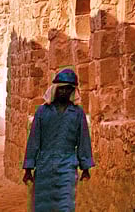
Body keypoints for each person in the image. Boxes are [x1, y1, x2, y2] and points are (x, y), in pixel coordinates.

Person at [22, 68, 95, 212]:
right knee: (42, 206)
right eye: (61, 88)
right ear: (55, 89)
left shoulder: (77, 113)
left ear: (72, 91)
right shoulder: (42, 112)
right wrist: (28, 168)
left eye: (68, 89)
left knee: (65, 204)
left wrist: (85, 167)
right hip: (44, 165)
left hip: (67, 165)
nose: (64, 92)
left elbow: (83, 140)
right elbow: (34, 140)